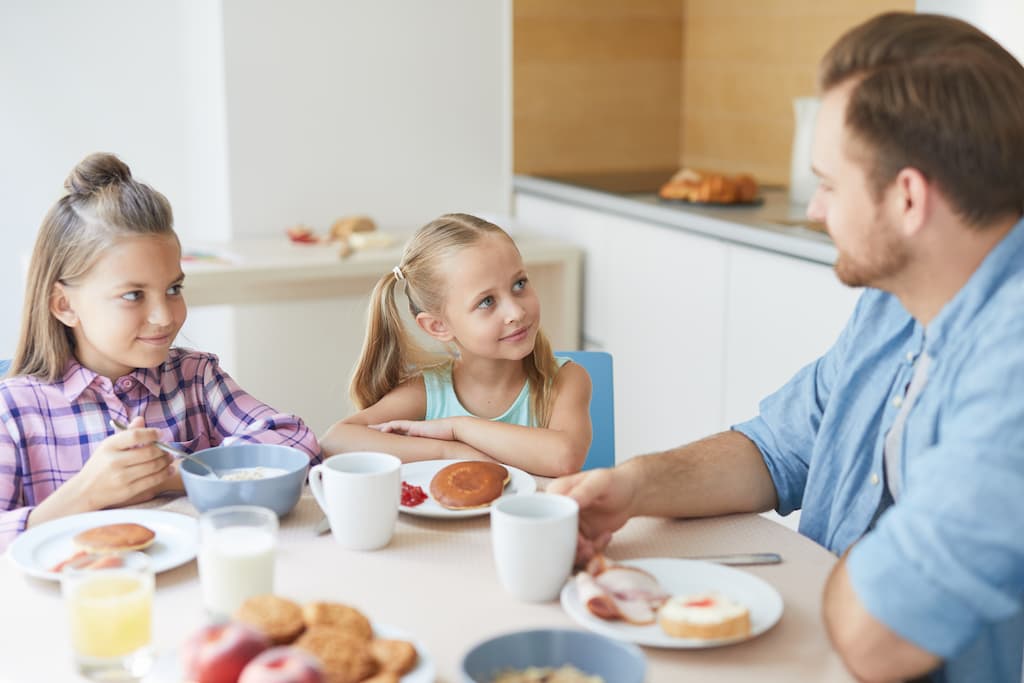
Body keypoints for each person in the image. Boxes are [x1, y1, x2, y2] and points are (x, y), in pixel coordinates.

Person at [549, 12, 1024, 683]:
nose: (813, 211)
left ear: (909, 198)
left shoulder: (1012, 363)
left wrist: (813, 577)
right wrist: (633, 485)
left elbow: (881, 636)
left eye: (828, 184)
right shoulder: (895, 302)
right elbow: (779, 447)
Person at [0, 153, 320, 552]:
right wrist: (84, 494)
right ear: (64, 305)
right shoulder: (14, 411)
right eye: (133, 295)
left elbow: (295, 440)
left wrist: (182, 473)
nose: (164, 316)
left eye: (173, 289)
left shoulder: (194, 377)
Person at [319, 213, 592, 476]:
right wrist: (449, 453)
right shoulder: (428, 392)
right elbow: (336, 441)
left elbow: (564, 457)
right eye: (487, 301)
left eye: (519, 284)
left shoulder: (566, 380)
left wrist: (458, 428)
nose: (516, 312)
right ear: (439, 326)